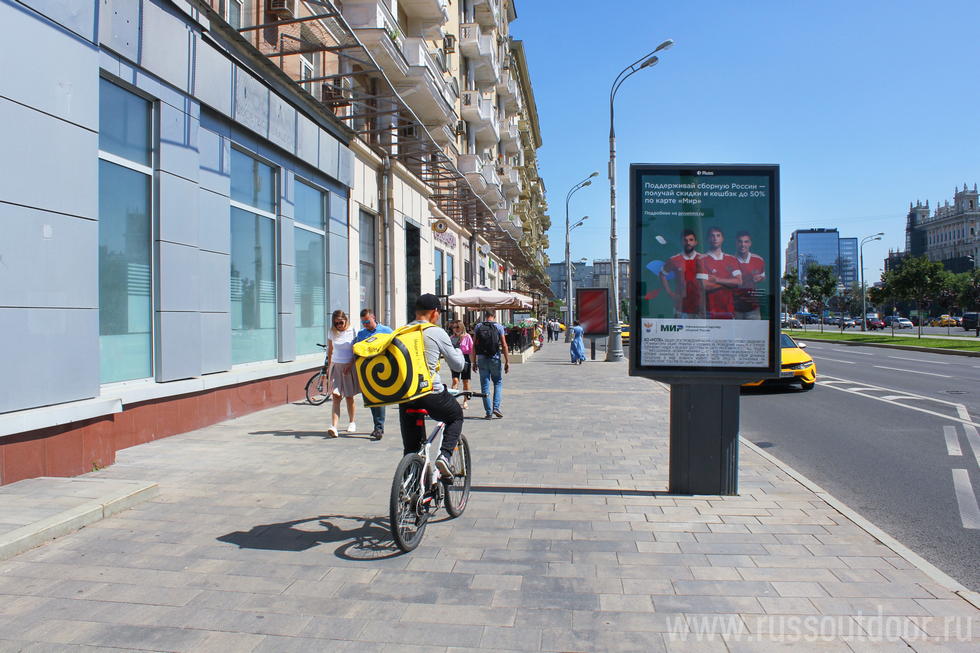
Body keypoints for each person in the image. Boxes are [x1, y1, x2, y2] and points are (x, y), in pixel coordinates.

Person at [398, 294, 466, 478]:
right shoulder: (436, 332)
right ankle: (444, 456)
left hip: (405, 395)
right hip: (430, 392)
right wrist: (458, 350)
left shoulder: (402, 331)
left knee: (411, 448)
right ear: (434, 312)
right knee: (455, 416)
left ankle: (408, 493)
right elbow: (458, 365)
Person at [354, 308, 393, 440]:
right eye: (363, 322)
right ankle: (376, 425)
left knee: (379, 399)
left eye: (367, 321)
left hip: (381, 369)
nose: (365, 324)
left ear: (373, 317)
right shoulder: (361, 334)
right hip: (366, 370)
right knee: (371, 399)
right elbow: (357, 351)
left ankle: (379, 428)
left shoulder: (386, 331)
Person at [325, 310, 359, 437]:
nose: (339, 325)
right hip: (336, 366)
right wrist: (329, 367)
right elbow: (330, 350)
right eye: (336, 323)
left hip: (349, 367)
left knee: (349, 397)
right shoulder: (332, 332)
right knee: (336, 397)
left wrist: (351, 364)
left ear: (346, 319)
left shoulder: (353, 330)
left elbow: (357, 350)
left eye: (341, 322)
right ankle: (334, 427)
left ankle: (352, 422)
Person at [697, 226, 741, 320]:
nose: (715, 238)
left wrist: (717, 280)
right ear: (708, 239)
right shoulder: (701, 259)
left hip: (729, 311)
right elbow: (704, 285)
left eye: (718, 235)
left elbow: (739, 282)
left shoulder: (731, 259)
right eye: (712, 236)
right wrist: (729, 283)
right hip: (709, 311)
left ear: (722, 238)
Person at [472, 310, 509, 420]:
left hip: (482, 358)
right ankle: (496, 408)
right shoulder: (499, 327)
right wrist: (507, 361)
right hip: (495, 358)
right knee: (497, 382)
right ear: (494, 315)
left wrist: (474, 361)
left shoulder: (478, 326)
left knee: (485, 385)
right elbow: (504, 345)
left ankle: (488, 412)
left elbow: (474, 345)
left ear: (485, 315)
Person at [661, 229, 705, 318]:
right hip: (680, 308)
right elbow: (662, 275)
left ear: (696, 242)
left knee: (699, 332)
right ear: (681, 242)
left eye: (691, 240)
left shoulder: (703, 259)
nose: (688, 242)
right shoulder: (674, 259)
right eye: (685, 240)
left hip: (699, 307)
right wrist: (670, 292)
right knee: (679, 332)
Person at [733, 231, 766, 320]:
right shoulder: (730, 260)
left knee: (753, 333)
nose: (743, 244)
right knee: (736, 334)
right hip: (735, 308)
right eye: (740, 241)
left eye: (746, 241)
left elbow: (763, 277)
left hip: (753, 308)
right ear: (736, 243)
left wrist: (760, 278)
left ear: (750, 243)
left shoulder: (758, 260)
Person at [449, 321, 473, 410]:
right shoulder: (451, 338)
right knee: (455, 380)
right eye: (454, 327)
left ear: (462, 327)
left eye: (457, 327)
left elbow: (471, 349)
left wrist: (474, 362)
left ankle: (465, 401)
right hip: (455, 360)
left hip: (465, 359)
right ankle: (453, 402)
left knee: (465, 381)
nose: (455, 329)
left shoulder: (467, 337)